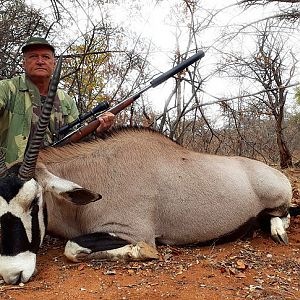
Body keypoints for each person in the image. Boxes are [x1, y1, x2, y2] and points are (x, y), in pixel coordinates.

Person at [0, 37, 115, 164]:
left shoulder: (66, 100)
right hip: (9, 174)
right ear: (24, 63)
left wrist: (99, 131)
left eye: (46, 57)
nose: (40, 61)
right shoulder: (6, 89)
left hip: (51, 171)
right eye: (33, 56)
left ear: (54, 64)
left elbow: (77, 140)